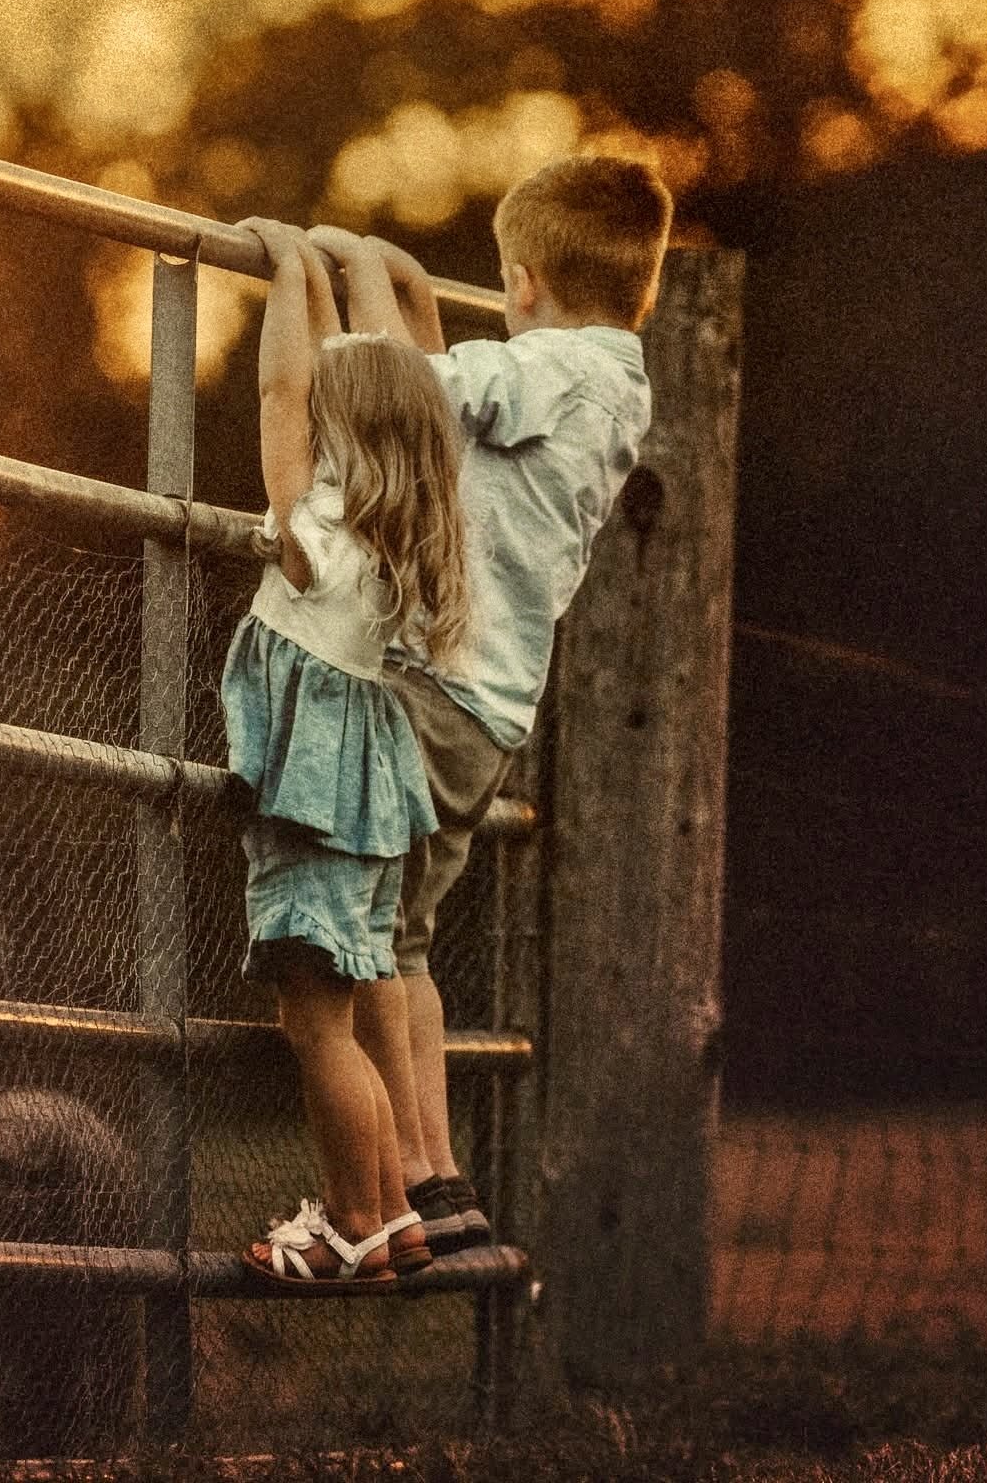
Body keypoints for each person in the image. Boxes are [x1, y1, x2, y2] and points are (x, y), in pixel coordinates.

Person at [309, 154, 672, 1254]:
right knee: (404, 937)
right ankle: (443, 1178)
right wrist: (406, 287)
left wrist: (336, 272)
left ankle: (403, 1173)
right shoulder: (613, 383)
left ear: (521, 283)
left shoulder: (551, 370)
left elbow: (404, 388)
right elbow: (447, 401)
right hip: (489, 710)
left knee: (361, 930)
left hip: (426, 687)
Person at [223, 217, 475, 1291]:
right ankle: (390, 1223)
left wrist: (285, 268)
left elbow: (285, 394)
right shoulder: (395, 529)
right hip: (365, 794)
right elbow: (330, 387)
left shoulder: (313, 536)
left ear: (338, 440)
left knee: (319, 1028)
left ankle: (355, 1221)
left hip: (316, 805)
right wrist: (321, 275)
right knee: (333, 1015)